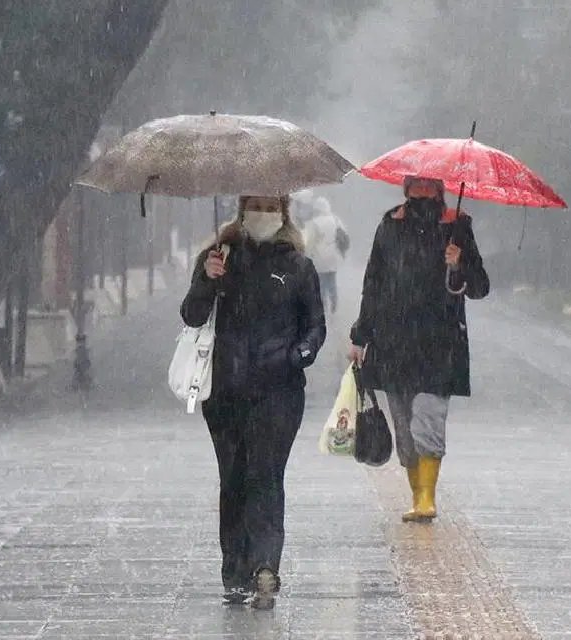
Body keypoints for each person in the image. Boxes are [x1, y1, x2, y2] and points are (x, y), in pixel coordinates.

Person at [180, 194, 326, 609]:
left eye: (270, 205)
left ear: (283, 212)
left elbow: (315, 325)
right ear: (242, 210)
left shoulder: (298, 266)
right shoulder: (219, 257)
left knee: (266, 475)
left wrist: (298, 355)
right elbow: (191, 314)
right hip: (225, 390)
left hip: (278, 392)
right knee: (234, 479)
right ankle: (234, 571)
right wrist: (208, 279)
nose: (262, 212)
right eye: (255, 204)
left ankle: (265, 566)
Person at [349, 176, 489, 523]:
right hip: (394, 343)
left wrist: (459, 264)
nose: (422, 191)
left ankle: (427, 498)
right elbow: (373, 283)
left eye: (429, 185)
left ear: (440, 189)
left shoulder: (458, 226)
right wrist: (360, 335)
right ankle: (415, 494)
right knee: (404, 429)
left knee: (428, 420)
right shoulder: (389, 225)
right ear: (406, 187)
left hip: (439, 345)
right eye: (416, 184)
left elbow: (480, 287)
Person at [300, 196, 350, 314]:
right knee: (332, 282)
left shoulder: (313, 223)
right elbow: (343, 235)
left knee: (321, 284)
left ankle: (324, 308)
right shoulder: (336, 220)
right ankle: (334, 306)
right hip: (333, 256)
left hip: (319, 258)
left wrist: (306, 255)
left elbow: (310, 242)